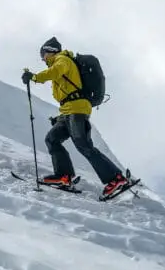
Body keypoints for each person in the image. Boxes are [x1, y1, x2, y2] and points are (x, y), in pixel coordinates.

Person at [21, 36, 130, 199]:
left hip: (76, 109)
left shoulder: (62, 59)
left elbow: (57, 72)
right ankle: (64, 177)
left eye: (43, 55)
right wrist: (60, 118)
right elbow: (67, 97)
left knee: (83, 145)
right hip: (69, 111)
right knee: (52, 139)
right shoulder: (59, 63)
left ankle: (116, 179)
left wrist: (34, 77)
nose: (42, 59)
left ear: (49, 52)